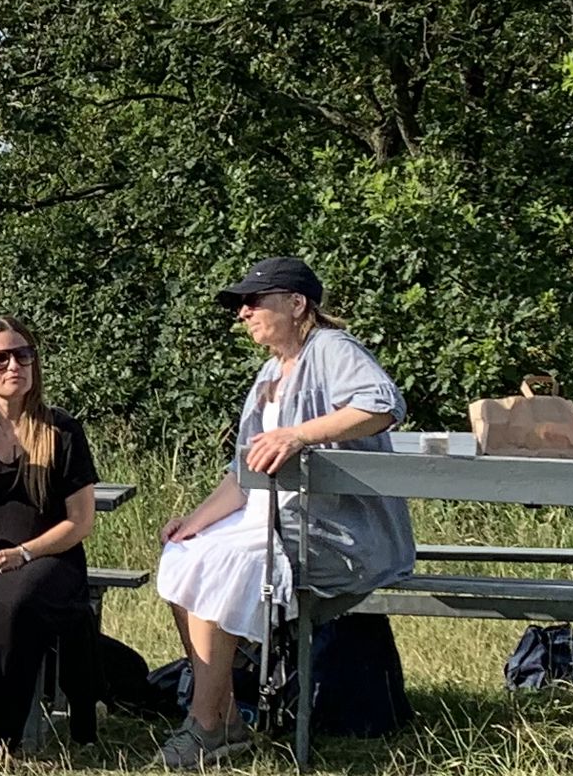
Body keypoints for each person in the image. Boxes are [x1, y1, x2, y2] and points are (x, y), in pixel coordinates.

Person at [151, 257, 413, 767]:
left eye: (254, 302)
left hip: (336, 533)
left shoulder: (333, 350)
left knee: (228, 563)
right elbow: (243, 473)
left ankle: (205, 726)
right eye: (240, 306)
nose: (243, 313)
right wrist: (194, 522)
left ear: (297, 304)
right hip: (271, 521)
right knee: (183, 555)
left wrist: (297, 434)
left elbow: (381, 404)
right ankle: (224, 718)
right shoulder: (270, 373)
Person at [0, 318, 101, 776]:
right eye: (0, 358)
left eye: (23, 355)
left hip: (51, 557)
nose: (14, 366)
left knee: (18, 601)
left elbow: (80, 522)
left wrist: (25, 553)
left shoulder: (62, 430)